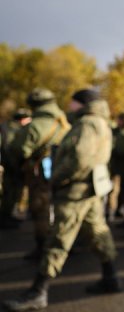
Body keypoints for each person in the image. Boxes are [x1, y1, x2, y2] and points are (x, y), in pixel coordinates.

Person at [3, 89, 121, 311]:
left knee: (58, 239)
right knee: (97, 232)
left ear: (82, 103)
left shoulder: (87, 124)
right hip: (90, 189)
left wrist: (56, 178)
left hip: (75, 191)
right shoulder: (100, 122)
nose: (69, 106)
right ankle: (110, 276)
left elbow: (79, 158)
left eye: (73, 102)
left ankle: (38, 291)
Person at [9, 89, 70, 260]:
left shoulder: (35, 125)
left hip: (39, 175)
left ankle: (43, 247)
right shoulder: (65, 122)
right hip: (63, 173)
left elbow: (19, 149)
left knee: (41, 211)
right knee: (62, 210)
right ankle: (64, 244)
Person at [0, 108, 31, 229]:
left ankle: (7, 216)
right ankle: (6, 217)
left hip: (8, 165)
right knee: (12, 193)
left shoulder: (5, 127)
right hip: (14, 166)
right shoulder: (18, 130)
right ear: (23, 119)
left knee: (9, 192)